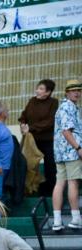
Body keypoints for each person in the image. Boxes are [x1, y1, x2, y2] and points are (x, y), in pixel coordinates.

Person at [18, 79, 59, 196]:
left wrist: (31, 127)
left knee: (50, 165)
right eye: (38, 88)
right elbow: (23, 115)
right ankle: (29, 189)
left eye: (41, 89)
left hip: (48, 140)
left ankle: (51, 190)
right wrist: (23, 125)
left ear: (48, 92)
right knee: (29, 165)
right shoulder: (32, 101)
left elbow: (50, 121)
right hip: (32, 140)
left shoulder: (54, 102)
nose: (37, 91)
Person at [52, 79, 82, 231]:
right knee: (72, 183)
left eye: (79, 90)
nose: (77, 92)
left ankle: (57, 220)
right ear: (67, 92)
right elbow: (66, 131)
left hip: (61, 153)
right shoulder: (67, 107)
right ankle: (76, 218)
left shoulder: (67, 107)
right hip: (71, 152)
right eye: (73, 90)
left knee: (60, 183)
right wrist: (78, 148)